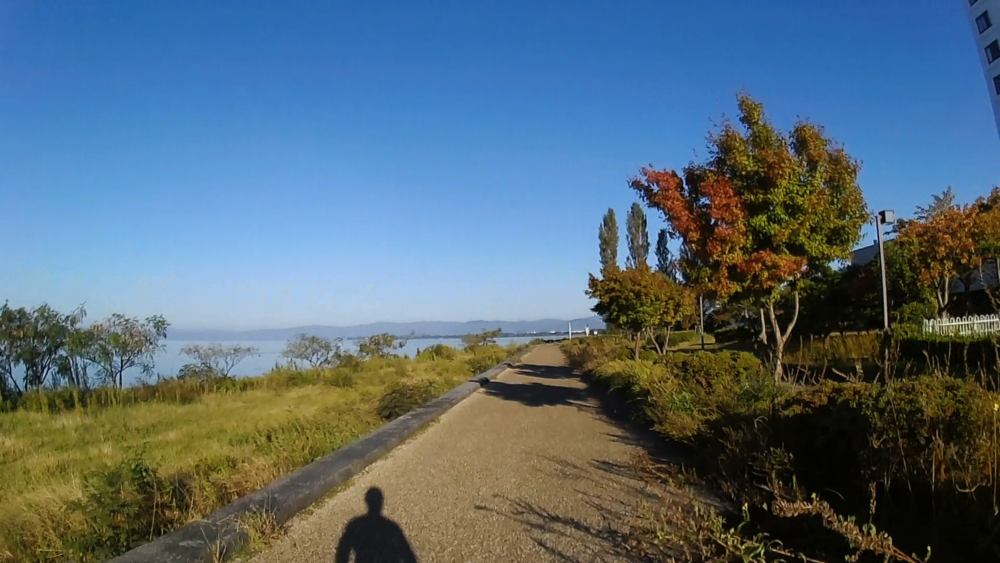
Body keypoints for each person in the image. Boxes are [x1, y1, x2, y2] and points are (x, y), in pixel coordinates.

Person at [335, 487, 417, 563]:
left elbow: (342, 552)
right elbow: (407, 554)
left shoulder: (356, 526)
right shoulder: (390, 527)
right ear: (381, 502)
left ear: (366, 501)